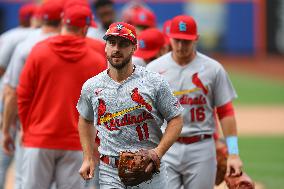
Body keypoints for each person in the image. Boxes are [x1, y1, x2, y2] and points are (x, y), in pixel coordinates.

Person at [76, 22, 184, 189]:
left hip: (149, 170)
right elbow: (85, 120)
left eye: (123, 44)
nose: (116, 48)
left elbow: (176, 118)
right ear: (105, 46)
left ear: (134, 47)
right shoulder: (92, 86)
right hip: (110, 171)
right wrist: (88, 157)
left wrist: (158, 152)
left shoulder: (154, 82)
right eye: (112, 43)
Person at [147, 15, 243, 189]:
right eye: (177, 40)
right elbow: (145, 113)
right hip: (166, 148)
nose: (181, 46)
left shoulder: (213, 69)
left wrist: (233, 153)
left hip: (201, 149)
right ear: (170, 38)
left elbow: (226, 112)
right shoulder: (153, 70)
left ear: (196, 39)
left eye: (186, 41)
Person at [16, 4, 107, 189]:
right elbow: (101, 107)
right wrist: (96, 142)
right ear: (85, 28)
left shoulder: (38, 51)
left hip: (39, 139)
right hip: (77, 144)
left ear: (62, 24)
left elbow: (23, 96)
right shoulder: (96, 59)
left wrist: (28, 130)